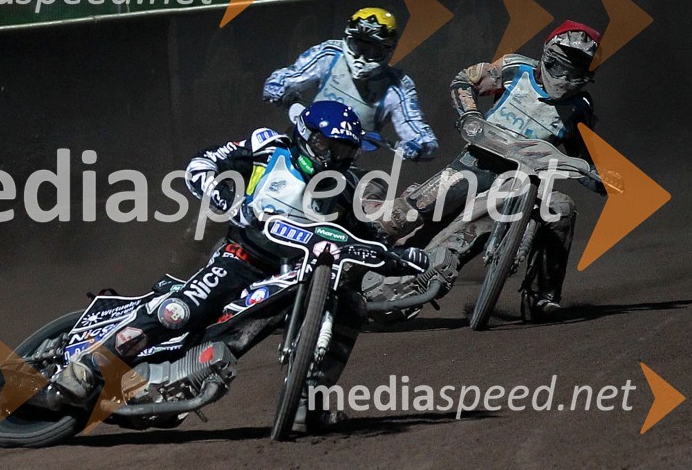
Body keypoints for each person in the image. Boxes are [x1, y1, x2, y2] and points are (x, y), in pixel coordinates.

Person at [53, 100, 447, 432]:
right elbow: (204, 162)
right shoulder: (268, 147)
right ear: (308, 138)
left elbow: (363, 236)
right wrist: (217, 185)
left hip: (295, 272)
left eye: (344, 151)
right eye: (329, 147)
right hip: (241, 258)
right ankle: (89, 368)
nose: (334, 158)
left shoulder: (344, 189)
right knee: (179, 312)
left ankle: (311, 401)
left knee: (350, 306)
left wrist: (400, 258)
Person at [369, 21, 616, 316]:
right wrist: (469, 114)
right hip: (475, 164)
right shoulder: (515, 68)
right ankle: (350, 256)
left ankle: (541, 297)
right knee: (404, 215)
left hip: (526, 184)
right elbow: (465, 79)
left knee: (561, 209)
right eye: (567, 67)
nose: (570, 76)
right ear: (550, 56)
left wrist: (602, 178)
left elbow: (584, 156)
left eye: (579, 70)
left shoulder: (580, 108)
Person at [263, 7, 438, 161]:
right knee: (252, 155)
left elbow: (420, 132)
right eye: (358, 45)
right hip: (300, 144)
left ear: (388, 50)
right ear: (347, 39)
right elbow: (286, 77)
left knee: (371, 193)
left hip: (345, 164)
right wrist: (280, 91)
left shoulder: (398, 85)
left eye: (372, 50)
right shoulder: (329, 54)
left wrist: (418, 146)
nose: (362, 57)